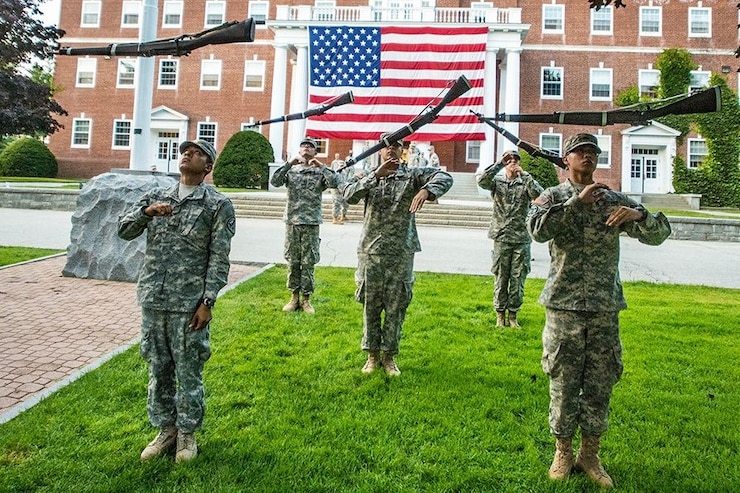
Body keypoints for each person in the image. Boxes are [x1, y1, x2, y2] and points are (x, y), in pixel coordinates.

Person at [527, 133, 671, 488]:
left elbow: (660, 233)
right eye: (580, 152)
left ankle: (590, 453)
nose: (588, 157)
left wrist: (637, 213)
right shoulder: (553, 196)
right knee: (563, 378)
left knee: (601, 379)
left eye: (593, 152)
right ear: (566, 159)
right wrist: (576, 203)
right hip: (564, 305)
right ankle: (562, 450)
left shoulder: (612, 198)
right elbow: (537, 230)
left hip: (605, 305)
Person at [118, 139, 236, 463]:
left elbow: (219, 258)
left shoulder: (217, 204)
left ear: (208, 167)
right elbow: (123, 229)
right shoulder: (155, 196)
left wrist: (207, 302)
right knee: (159, 369)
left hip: (189, 304)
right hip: (154, 298)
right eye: (186, 151)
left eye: (197, 153)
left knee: (189, 371)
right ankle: (165, 430)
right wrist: (146, 212)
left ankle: (187, 434)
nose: (188, 154)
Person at [344, 133, 453, 376]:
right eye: (386, 147)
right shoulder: (369, 175)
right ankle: (372, 355)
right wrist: (374, 176)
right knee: (370, 304)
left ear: (403, 150)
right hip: (371, 251)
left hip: (401, 251)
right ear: (380, 151)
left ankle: (389, 357)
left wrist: (426, 191)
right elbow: (348, 195)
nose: (391, 150)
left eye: (396, 146)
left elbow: (444, 176)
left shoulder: (412, 176)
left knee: (396, 305)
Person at [270, 137, 338, 314]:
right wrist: (288, 163)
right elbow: (275, 181)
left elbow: (336, 182)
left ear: (315, 151)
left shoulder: (320, 172)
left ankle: (306, 299)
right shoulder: (292, 171)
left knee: (308, 261)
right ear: (299, 151)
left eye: (310, 147)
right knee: (293, 260)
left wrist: (322, 166)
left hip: (311, 222)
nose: (306, 148)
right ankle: (293, 297)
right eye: (303, 146)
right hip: (292, 221)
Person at [476, 150, 543, 328]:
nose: (513, 162)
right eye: (509, 160)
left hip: (521, 238)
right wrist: (499, 163)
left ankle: (513, 315)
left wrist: (525, 175)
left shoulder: (526, 182)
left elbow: (539, 195)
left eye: (515, 160)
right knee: (501, 277)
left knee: (518, 277)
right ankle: (500, 315)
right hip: (501, 236)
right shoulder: (497, 182)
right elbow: (482, 182)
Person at [330, 152, 352, 224]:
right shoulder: (336, 173)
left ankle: (343, 216)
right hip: (336, 191)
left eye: (343, 165)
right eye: (340, 165)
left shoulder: (344, 172)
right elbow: (334, 182)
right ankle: (335, 218)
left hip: (344, 190)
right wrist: (338, 188)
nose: (342, 166)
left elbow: (346, 180)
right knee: (337, 204)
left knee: (345, 204)